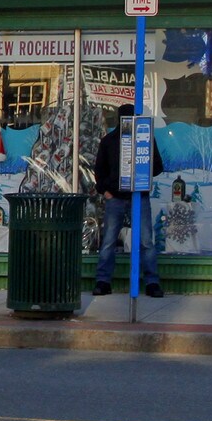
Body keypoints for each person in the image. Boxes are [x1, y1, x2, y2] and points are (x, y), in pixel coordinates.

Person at [92, 104, 165, 296]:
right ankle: (103, 280)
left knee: (146, 241)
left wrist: (143, 169)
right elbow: (99, 171)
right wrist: (106, 191)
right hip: (116, 197)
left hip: (138, 196)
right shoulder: (109, 142)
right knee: (109, 240)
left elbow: (157, 167)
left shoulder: (145, 141)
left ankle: (151, 282)